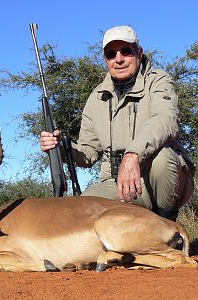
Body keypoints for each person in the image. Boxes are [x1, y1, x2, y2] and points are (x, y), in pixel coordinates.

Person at [40, 25, 195, 221]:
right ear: (106, 59)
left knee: (162, 159)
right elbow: (88, 153)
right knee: (79, 212)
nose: (119, 59)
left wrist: (133, 155)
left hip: (159, 180)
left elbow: (165, 120)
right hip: (118, 183)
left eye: (126, 51)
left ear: (139, 52)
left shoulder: (159, 81)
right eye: (111, 54)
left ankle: (169, 227)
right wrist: (61, 148)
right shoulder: (96, 97)